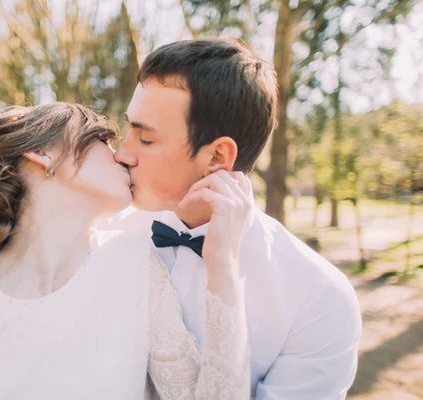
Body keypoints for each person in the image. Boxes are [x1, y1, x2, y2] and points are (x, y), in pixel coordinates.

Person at [0, 103, 253, 399]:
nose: (124, 155)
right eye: (103, 139)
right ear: (42, 153)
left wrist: (223, 262)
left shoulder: (135, 267)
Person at [101, 38, 362, 399]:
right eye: (129, 128)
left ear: (217, 157)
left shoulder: (320, 301)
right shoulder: (100, 234)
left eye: (145, 138)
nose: (121, 153)